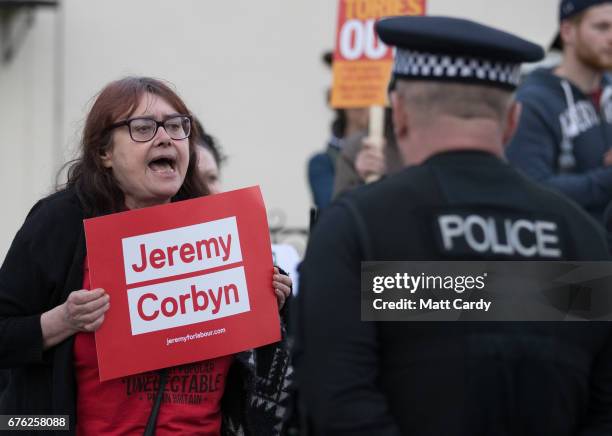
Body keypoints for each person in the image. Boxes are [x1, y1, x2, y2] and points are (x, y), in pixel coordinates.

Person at [296, 16, 612, 435]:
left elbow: (336, 399)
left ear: (401, 115)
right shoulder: (583, 237)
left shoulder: (359, 228)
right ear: (513, 120)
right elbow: (603, 406)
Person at [0, 77, 292, 435]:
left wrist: (267, 299)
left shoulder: (218, 230)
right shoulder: (60, 222)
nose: (165, 137)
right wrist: (63, 320)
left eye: (176, 126)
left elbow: (260, 373)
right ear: (104, 153)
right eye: (142, 128)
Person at [506, 0, 612, 227]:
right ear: (567, 32)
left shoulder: (609, 91)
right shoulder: (534, 102)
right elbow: (530, 191)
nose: (611, 37)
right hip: (571, 254)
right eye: (602, 27)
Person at [306, 51, 371, 210]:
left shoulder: (396, 152)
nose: (361, 99)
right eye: (352, 89)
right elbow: (335, 210)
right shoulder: (323, 163)